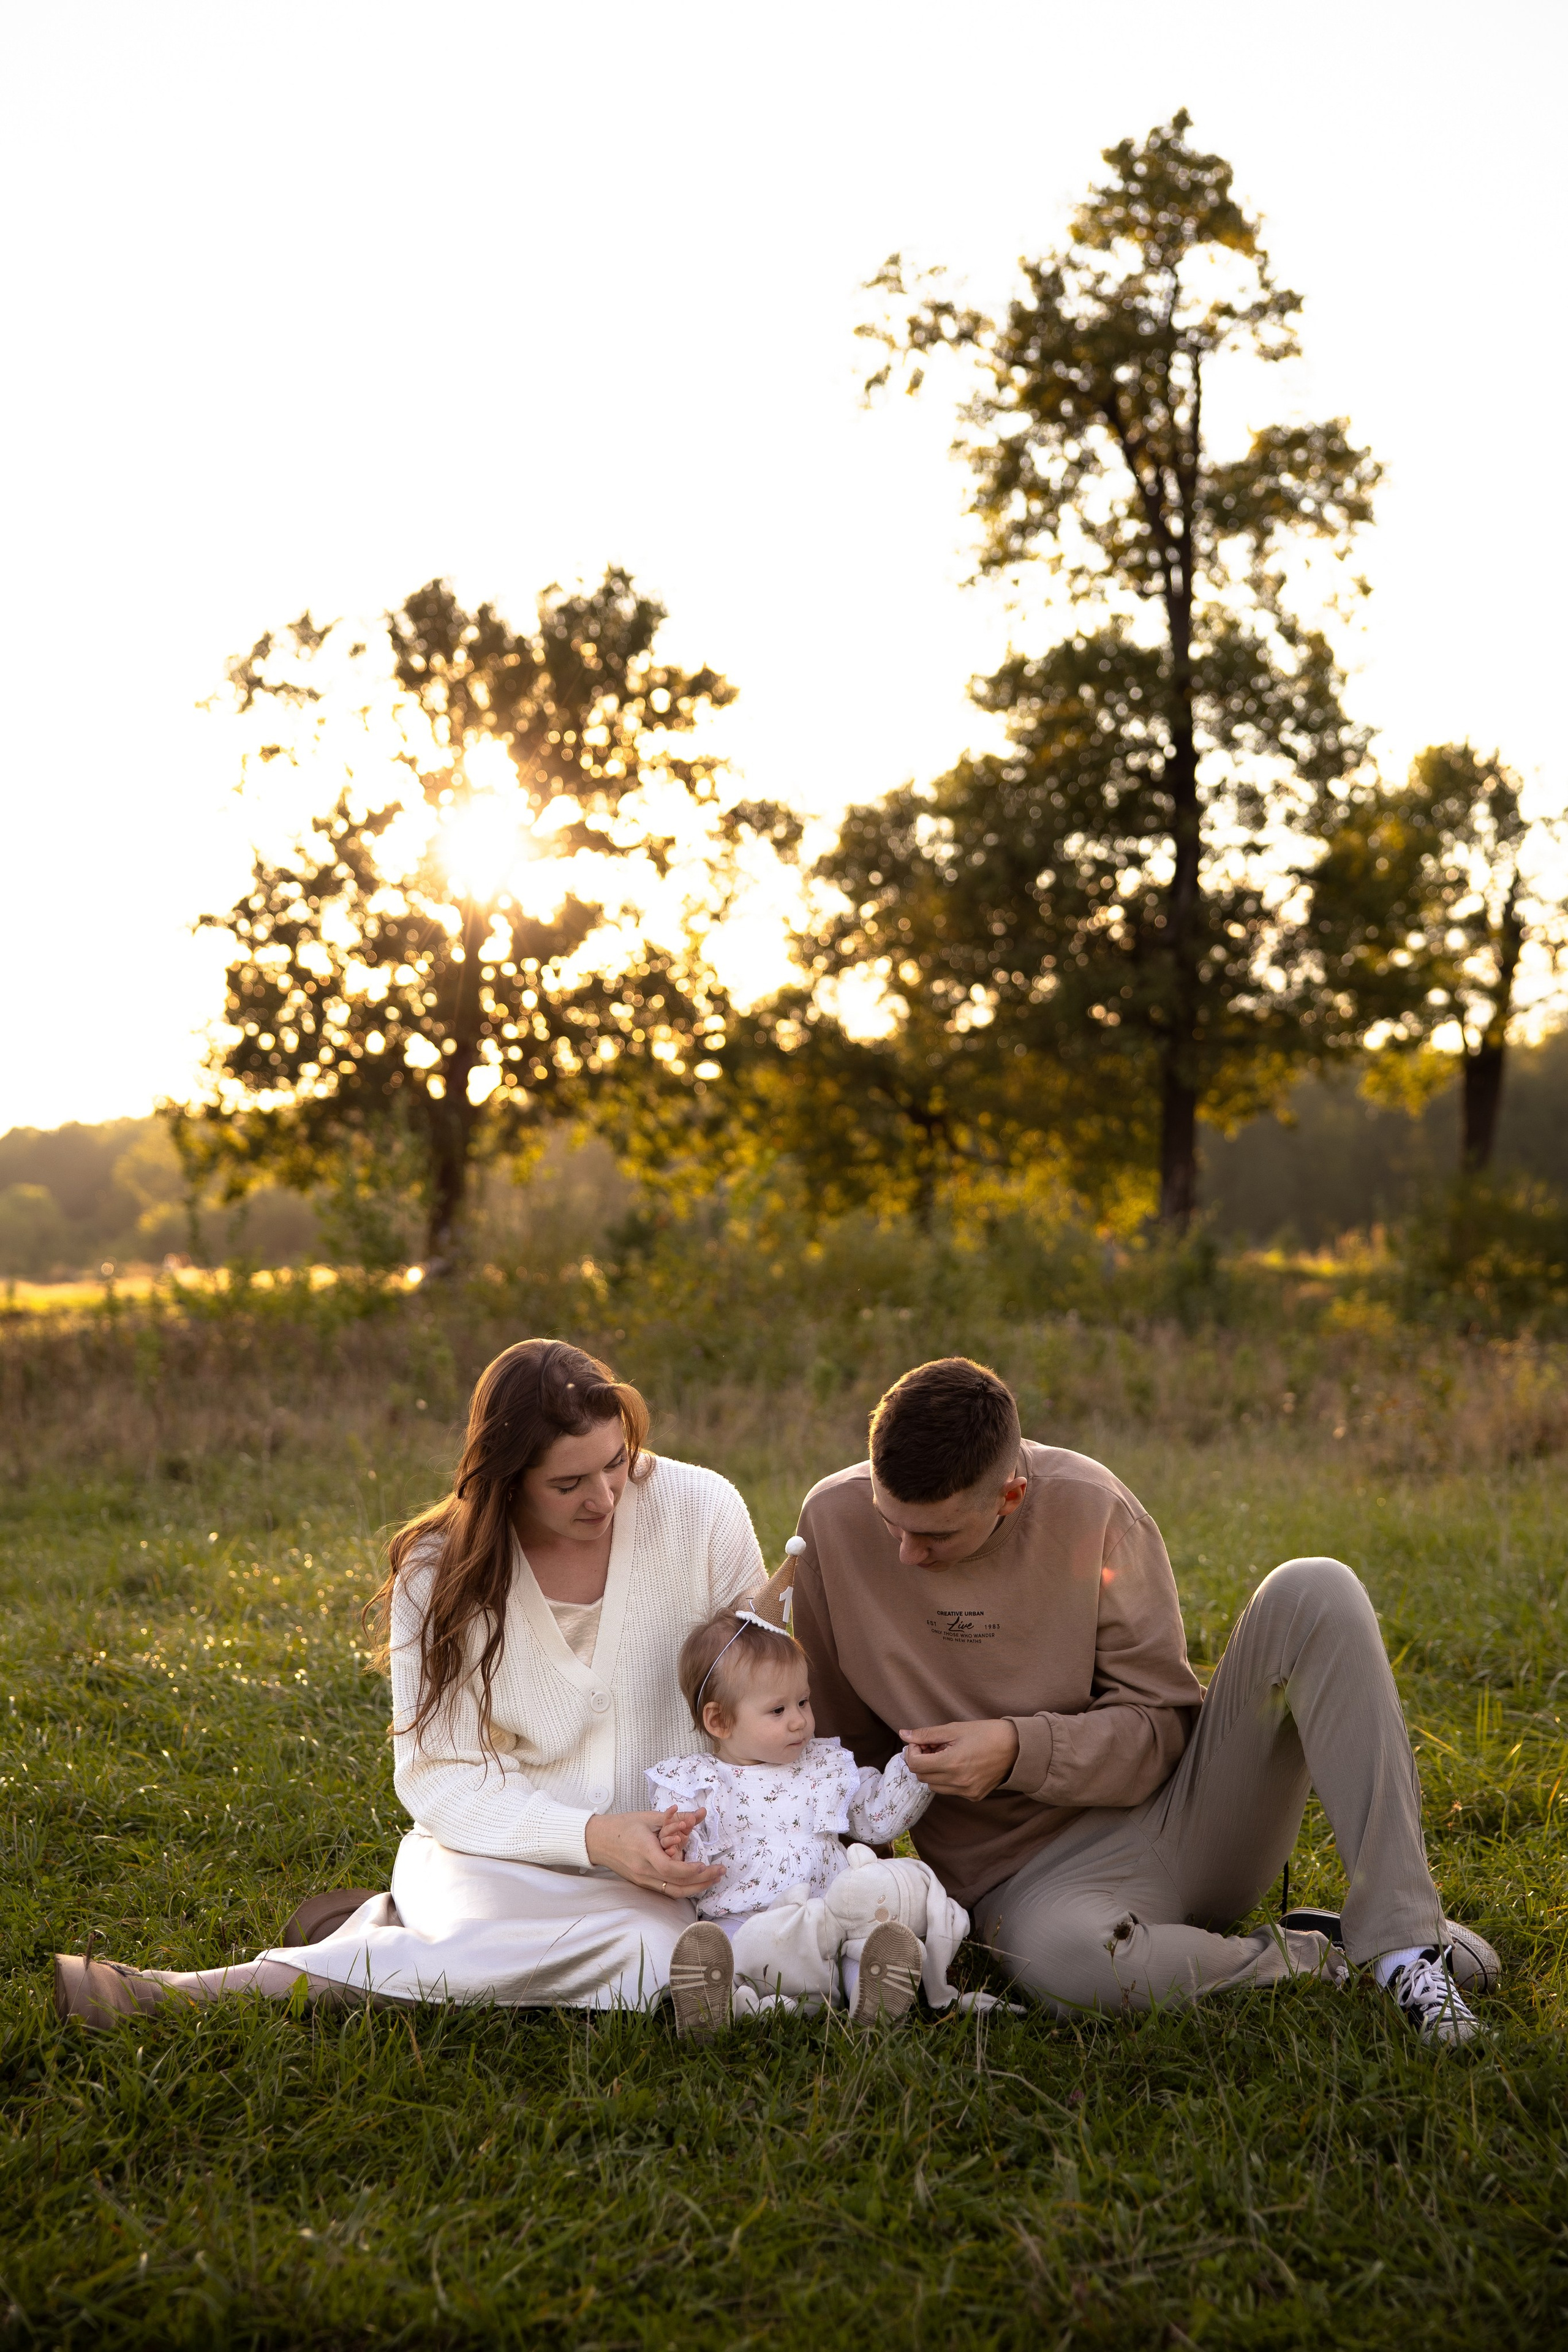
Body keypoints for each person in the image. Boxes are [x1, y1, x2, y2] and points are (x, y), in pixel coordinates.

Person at [755, 1355, 1499, 2047]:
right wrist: (857, 1914)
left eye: (935, 1535)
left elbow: (1160, 1728)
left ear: (1010, 1496)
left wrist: (1017, 1751)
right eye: (890, 1520)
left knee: (1315, 1589)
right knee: (1073, 1968)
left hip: (1182, 1823)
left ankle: (1404, 1946)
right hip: (1026, 1886)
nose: (905, 1553)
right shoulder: (831, 1522)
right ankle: (1322, 1954)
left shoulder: (1092, 1508)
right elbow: (837, 1752)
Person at [54, 1339, 765, 2026]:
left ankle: (375, 1935)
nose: (604, 1497)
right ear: (505, 1481)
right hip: (497, 1855)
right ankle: (186, 1992)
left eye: (616, 1463)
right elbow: (439, 1775)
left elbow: (764, 1688)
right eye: (567, 1484)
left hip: (664, 1871)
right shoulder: (438, 1569)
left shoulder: (701, 1510)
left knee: (659, 1944)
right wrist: (590, 1837)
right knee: (650, 1952)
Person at [646, 1605, 967, 2032]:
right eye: (778, 1710)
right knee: (728, 1950)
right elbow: (689, 1864)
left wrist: (913, 1770)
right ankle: (720, 2003)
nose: (799, 1720)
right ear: (719, 1721)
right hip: (746, 1917)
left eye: (803, 1701)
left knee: (860, 1940)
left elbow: (876, 1820)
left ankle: (872, 1993)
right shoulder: (697, 1783)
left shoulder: (823, 1766)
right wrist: (678, 1844)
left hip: (828, 1915)